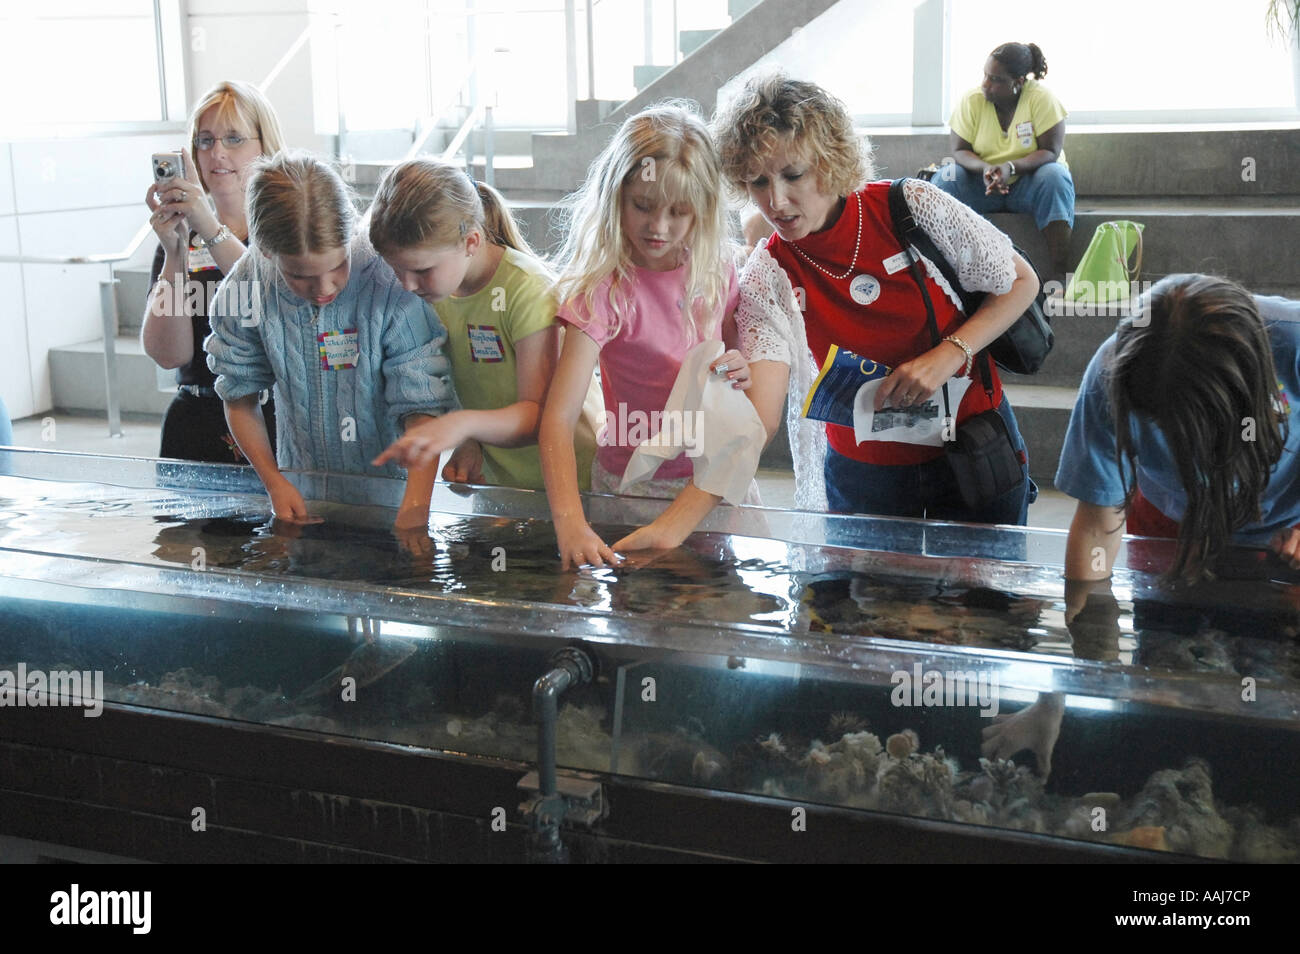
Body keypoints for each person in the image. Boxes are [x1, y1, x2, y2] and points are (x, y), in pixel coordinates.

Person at [713, 73, 1039, 521]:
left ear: (830, 161)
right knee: (872, 591)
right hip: (863, 475)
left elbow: (1021, 281)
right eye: (757, 183)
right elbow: (763, 416)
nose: (777, 201)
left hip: (972, 448)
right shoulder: (768, 272)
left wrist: (948, 354)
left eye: (793, 175)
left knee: (986, 588)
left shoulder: (911, 206)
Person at [538, 102, 756, 570]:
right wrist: (571, 523)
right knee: (637, 613)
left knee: (714, 602)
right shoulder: (603, 290)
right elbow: (558, 416)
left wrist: (740, 365)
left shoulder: (718, 271)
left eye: (679, 212)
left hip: (710, 479)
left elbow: (738, 361)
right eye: (643, 206)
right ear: (616, 195)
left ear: (704, 211)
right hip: (632, 484)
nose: (658, 227)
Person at [205, 151, 455, 544]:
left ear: (349, 234)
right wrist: (273, 482)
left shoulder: (388, 281)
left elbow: (422, 404)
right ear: (268, 253)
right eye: (300, 276)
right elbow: (239, 395)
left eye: (337, 266)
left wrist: (415, 511)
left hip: (393, 495)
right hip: (302, 490)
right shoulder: (246, 287)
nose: (323, 289)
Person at [366, 158, 598, 490]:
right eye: (397, 270)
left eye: (421, 270)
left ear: (471, 242)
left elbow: (539, 418)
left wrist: (463, 426)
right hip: (505, 488)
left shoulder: (527, 289)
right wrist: (470, 442)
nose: (407, 285)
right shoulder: (436, 291)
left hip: (572, 484)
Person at [1058, 273, 1300, 585]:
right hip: (1172, 520)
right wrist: (1086, 621)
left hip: (1286, 526)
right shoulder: (1112, 375)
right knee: (1166, 624)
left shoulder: (1293, 342)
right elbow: (1096, 526)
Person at [141, 80, 284, 462]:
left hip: (272, 415)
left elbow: (269, 298)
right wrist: (174, 254)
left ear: (264, 146)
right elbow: (169, 355)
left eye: (234, 138)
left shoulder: (287, 232)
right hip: (196, 416)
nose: (217, 152)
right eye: (205, 141)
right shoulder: (181, 237)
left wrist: (209, 226)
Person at [933, 42, 1074, 283]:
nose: (986, 84)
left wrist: (1010, 168)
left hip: (1029, 182)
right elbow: (960, 150)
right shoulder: (972, 101)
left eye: (996, 79)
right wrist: (988, 169)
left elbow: (1050, 150)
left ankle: (1059, 273)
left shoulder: (1041, 99)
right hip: (983, 184)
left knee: (1055, 177)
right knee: (947, 177)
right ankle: (945, 271)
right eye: (985, 75)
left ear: (1018, 82)